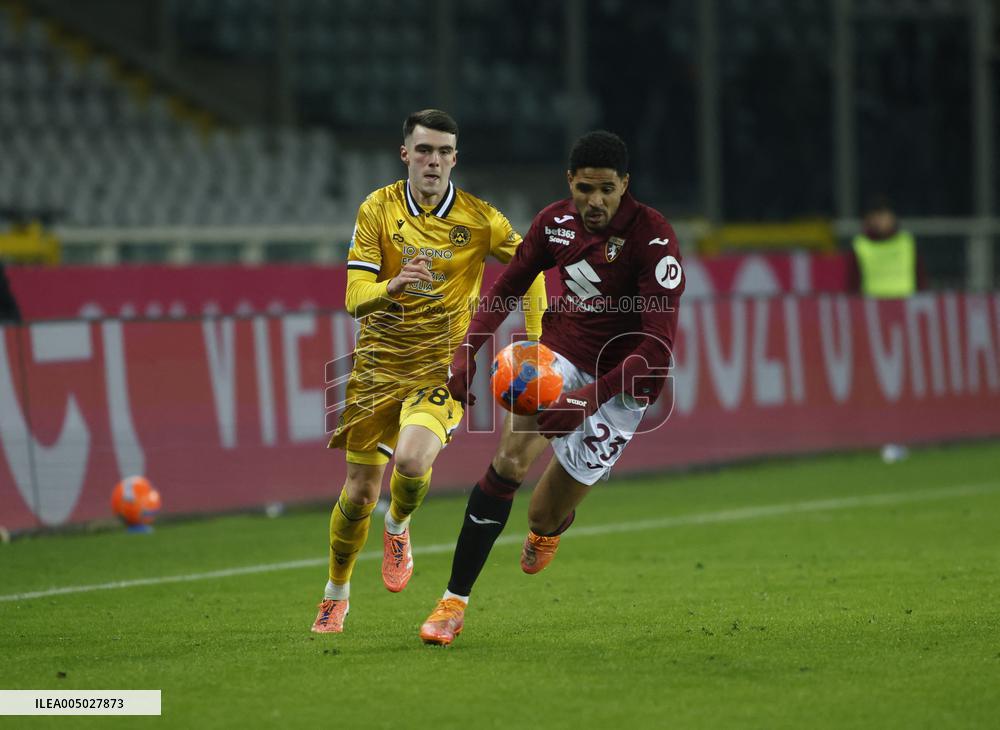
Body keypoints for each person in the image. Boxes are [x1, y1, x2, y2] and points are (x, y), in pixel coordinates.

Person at [419, 130, 685, 646]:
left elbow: (656, 347)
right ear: (570, 182)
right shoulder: (554, 223)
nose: (595, 201)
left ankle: (549, 529)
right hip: (559, 355)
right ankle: (452, 603)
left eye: (606, 189)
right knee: (508, 462)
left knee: (542, 513)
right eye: (585, 189)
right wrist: (466, 352)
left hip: (622, 386)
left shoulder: (654, 239)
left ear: (624, 184)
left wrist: (588, 401)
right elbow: (507, 287)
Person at [311, 109, 547, 633]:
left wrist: (536, 339)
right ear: (406, 154)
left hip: (440, 370)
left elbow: (531, 265)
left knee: (413, 462)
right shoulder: (377, 209)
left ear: (455, 159)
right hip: (376, 369)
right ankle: (336, 592)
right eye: (423, 150)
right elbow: (353, 297)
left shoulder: (481, 219)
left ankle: (398, 524)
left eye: (443, 152)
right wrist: (390, 288)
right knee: (359, 494)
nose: (433, 161)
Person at [849, 197, 926, 298]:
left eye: (883, 216)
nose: (879, 222)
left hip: (905, 301)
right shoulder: (860, 244)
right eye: (875, 217)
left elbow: (920, 276)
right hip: (873, 302)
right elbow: (853, 279)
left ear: (893, 217)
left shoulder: (907, 241)